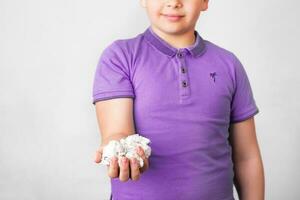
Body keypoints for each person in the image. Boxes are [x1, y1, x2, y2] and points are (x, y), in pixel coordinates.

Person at [92, 0, 265, 199]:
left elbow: (246, 157)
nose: (174, 3)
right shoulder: (120, 57)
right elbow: (118, 132)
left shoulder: (229, 64)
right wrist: (124, 153)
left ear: (205, 2)